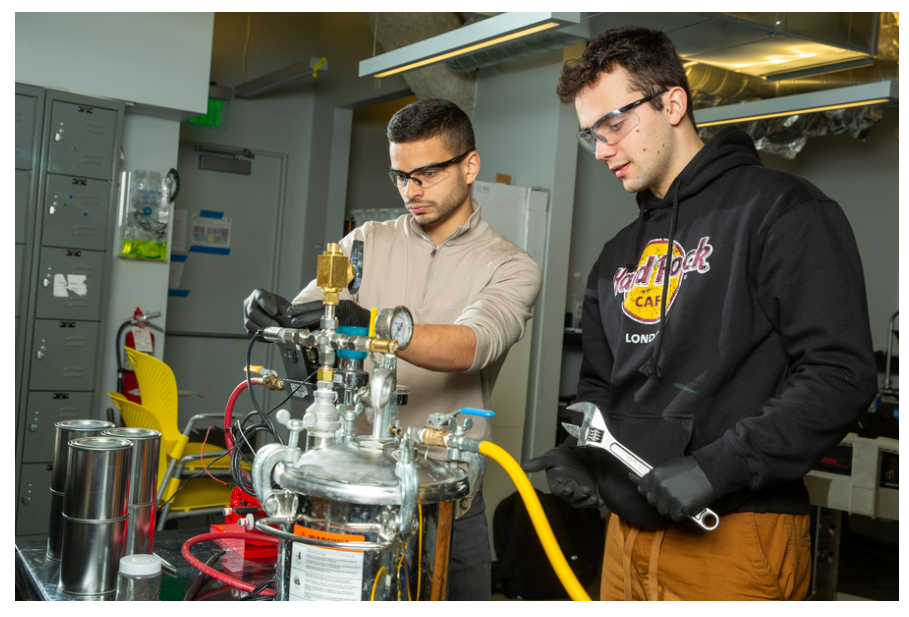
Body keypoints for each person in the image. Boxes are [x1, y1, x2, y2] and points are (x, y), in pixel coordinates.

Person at [523, 26, 877, 601]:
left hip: (737, 535)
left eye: (613, 124)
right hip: (624, 539)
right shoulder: (617, 256)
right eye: (590, 136)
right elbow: (600, 385)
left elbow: (840, 373)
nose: (603, 150)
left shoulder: (782, 211)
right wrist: (586, 456)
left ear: (673, 103)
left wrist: (719, 467)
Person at [243, 98, 543, 600]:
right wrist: (278, 319)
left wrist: (374, 322)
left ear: (469, 166)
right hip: (353, 488)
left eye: (425, 174)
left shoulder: (511, 266)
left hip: (445, 494)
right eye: (400, 176)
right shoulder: (366, 242)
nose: (410, 191)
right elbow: (315, 319)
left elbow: (472, 344)